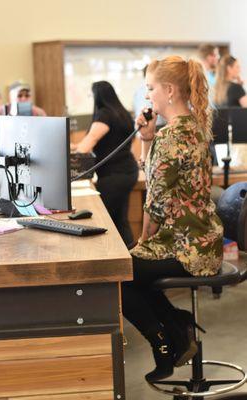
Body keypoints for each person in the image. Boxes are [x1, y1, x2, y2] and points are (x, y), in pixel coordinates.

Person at [122, 56, 223, 383]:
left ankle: (164, 341)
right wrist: (147, 138)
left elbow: (156, 202)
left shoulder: (172, 137)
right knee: (131, 267)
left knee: (118, 272)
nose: (147, 95)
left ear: (168, 90)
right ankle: (178, 327)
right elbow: (159, 181)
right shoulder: (192, 126)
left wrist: (141, 242)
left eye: (151, 88)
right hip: (203, 242)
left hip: (186, 248)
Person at [72, 80, 139, 246]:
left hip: (113, 175)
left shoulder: (104, 115)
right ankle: (130, 257)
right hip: (128, 171)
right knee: (120, 219)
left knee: (103, 219)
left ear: (97, 96)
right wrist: (74, 146)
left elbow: (87, 146)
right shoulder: (122, 113)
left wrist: (73, 149)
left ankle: (111, 256)